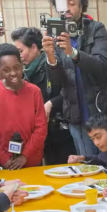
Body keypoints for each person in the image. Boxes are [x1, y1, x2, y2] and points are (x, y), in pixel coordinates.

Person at [42, 0, 107, 156]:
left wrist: (73, 52)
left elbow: (103, 65)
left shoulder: (96, 29)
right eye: (63, 5)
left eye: (72, 3)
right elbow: (57, 83)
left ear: (81, 6)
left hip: (101, 113)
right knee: (87, 164)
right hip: (76, 117)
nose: (67, 9)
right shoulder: (55, 35)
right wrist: (50, 57)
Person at [11, 27, 76, 165]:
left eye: (21, 51)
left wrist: (51, 103)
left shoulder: (52, 63)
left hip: (59, 131)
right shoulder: (24, 71)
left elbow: (69, 92)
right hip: (39, 134)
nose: (19, 56)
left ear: (34, 47)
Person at [0, 43, 47, 170]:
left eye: (17, 67)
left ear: (22, 65)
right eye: (6, 70)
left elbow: (41, 129)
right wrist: (4, 159)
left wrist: (25, 155)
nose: (13, 73)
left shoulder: (34, 92)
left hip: (32, 160)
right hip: (5, 163)